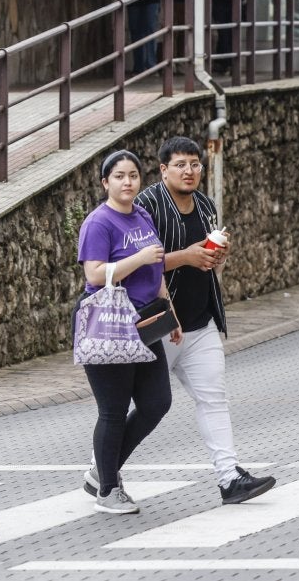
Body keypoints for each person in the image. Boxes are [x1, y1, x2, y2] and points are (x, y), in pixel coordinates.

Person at [131, 137, 275, 506]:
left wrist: (217, 255)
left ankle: (229, 478)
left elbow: (210, 263)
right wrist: (188, 257)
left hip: (201, 321)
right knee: (150, 407)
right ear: (163, 170)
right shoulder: (147, 206)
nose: (189, 171)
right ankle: (102, 471)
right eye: (180, 164)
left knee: (214, 398)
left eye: (195, 164)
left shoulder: (207, 205)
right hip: (161, 322)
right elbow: (140, 263)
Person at [76, 149, 177, 515]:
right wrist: (137, 259)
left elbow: (158, 270)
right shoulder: (99, 223)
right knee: (114, 410)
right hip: (110, 323)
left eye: (133, 175)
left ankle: (102, 470)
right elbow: (93, 274)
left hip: (146, 323)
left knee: (156, 403)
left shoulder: (143, 215)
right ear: (106, 182)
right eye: (119, 176)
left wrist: (172, 315)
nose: (128, 182)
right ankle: (107, 488)